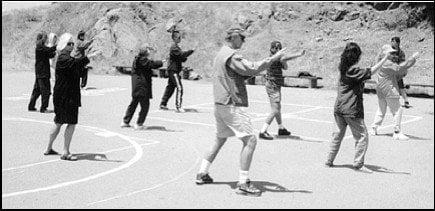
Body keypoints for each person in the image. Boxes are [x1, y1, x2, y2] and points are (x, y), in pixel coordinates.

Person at [195, 27, 287, 196]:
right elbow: (250, 68)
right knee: (251, 140)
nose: (244, 41)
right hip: (231, 104)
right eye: (242, 38)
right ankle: (243, 183)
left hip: (220, 103)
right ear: (234, 37)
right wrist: (273, 58)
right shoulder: (231, 55)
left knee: (219, 139)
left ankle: (202, 173)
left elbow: (234, 75)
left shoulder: (221, 54)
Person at [325, 42, 396, 170]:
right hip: (351, 109)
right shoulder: (353, 70)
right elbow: (371, 71)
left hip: (339, 108)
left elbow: (367, 70)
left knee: (337, 136)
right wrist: (384, 58)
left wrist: (380, 56)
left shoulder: (343, 67)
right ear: (356, 56)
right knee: (362, 136)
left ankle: (329, 160)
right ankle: (358, 164)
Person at [44, 33, 94, 161]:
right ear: (64, 45)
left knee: (59, 121)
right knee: (69, 122)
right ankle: (65, 151)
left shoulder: (65, 57)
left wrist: (84, 64)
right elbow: (74, 64)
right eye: (69, 44)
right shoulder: (63, 58)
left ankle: (49, 148)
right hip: (67, 96)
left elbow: (77, 70)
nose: (72, 46)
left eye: (73, 44)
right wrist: (87, 57)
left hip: (65, 95)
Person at [370, 43, 420, 141]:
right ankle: (397, 132)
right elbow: (402, 67)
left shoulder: (381, 62)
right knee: (398, 110)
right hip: (389, 89)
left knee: (381, 110)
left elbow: (398, 71)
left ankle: (373, 129)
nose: (393, 55)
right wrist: (413, 58)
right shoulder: (387, 63)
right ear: (385, 53)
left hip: (381, 89)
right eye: (391, 53)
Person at [259, 41, 305, 140]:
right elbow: (286, 58)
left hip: (276, 85)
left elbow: (286, 67)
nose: (278, 50)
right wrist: (299, 54)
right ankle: (263, 131)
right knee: (275, 109)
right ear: (271, 49)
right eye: (276, 48)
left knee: (277, 108)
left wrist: (283, 61)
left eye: (279, 48)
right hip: (272, 85)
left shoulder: (278, 58)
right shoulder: (272, 57)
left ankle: (281, 128)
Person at [120, 46, 165, 130]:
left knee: (133, 104)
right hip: (141, 87)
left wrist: (160, 62)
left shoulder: (140, 59)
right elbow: (152, 64)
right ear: (145, 53)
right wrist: (162, 62)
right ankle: (139, 124)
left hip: (138, 87)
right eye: (148, 52)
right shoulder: (141, 60)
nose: (149, 53)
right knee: (145, 106)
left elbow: (150, 63)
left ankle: (125, 122)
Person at [159, 30, 194, 113]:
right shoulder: (174, 47)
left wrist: (184, 57)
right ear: (174, 38)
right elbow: (181, 55)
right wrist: (191, 51)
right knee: (179, 87)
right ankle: (178, 107)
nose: (180, 38)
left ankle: (163, 104)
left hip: (174, 70)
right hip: (173, 70)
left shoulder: (177, 47)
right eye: (178, 37)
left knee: (170, 87)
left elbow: (181, 58)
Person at [28, 31, 57, 113]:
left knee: (37, 90)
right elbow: (49, 50)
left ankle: (31, 106)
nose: (46, 39)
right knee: (46, 91)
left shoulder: (41, 47)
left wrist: (54, 52)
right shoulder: (40, 46)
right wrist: (57, 46)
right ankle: (43, 108)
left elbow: (49, 54)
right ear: (41, 38)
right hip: (42, 72)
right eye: (45, 37)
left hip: (41, 72)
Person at [388, 37, 410, 108]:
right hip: (390, 71)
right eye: (391, 41)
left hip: (398, 72)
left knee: (401, 87)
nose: (392, 43)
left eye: (393, 41)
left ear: (398, 43)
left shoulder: (401, 52)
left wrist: (402, 71)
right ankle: (391, 101)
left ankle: (406, 101)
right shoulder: (389, 51)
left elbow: (403, 62)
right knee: (389, 87)